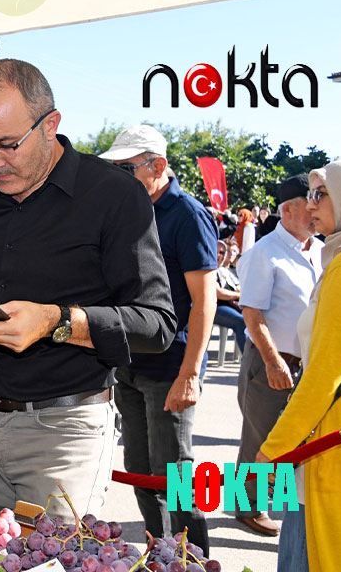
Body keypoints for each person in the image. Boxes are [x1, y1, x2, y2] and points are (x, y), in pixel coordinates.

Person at [0, 60, 176, 521]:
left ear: (50, 125)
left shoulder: (114, 196)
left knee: (54, 555)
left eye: (7, 145)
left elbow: (157, 325)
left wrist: (55, 322)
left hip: (65, 433)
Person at [99, 125, 218, 553]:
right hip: (130, 365)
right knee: (139, 470)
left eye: (126, 168)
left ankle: (194, 559)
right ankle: (159, 553)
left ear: (158, 166)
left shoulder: (187, 215)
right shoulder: (127, 210)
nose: (119, 177)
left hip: (170, 368)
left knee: (176, 474)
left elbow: (205, 301)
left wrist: (190, 374)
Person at [259, 158, 341, 572]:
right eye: (310, 194)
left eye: (321, 194)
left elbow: (324, 376)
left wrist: (273, 450)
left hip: (336, 445)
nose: (310, 204)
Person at [234, 174, 323, 537]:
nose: (315, 211)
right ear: (288, 210)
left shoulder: (319, 249)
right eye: (309, 203)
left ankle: (276, 502)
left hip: (306, 362)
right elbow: (252, 314)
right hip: (272, 359)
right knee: (260, 436)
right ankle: (247, 507)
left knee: (290, 435)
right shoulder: (264, 253)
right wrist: (273, 361)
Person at [213, 240, 247, 353]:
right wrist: (238, 295)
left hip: (232, 305)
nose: (218, 255)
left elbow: (239, 288)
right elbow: (218, 293)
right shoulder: (208, 270)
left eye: (222, 252)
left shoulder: (227, 271)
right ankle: (248, 359)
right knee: (241, 321)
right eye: (216, 251)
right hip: (215, 307)